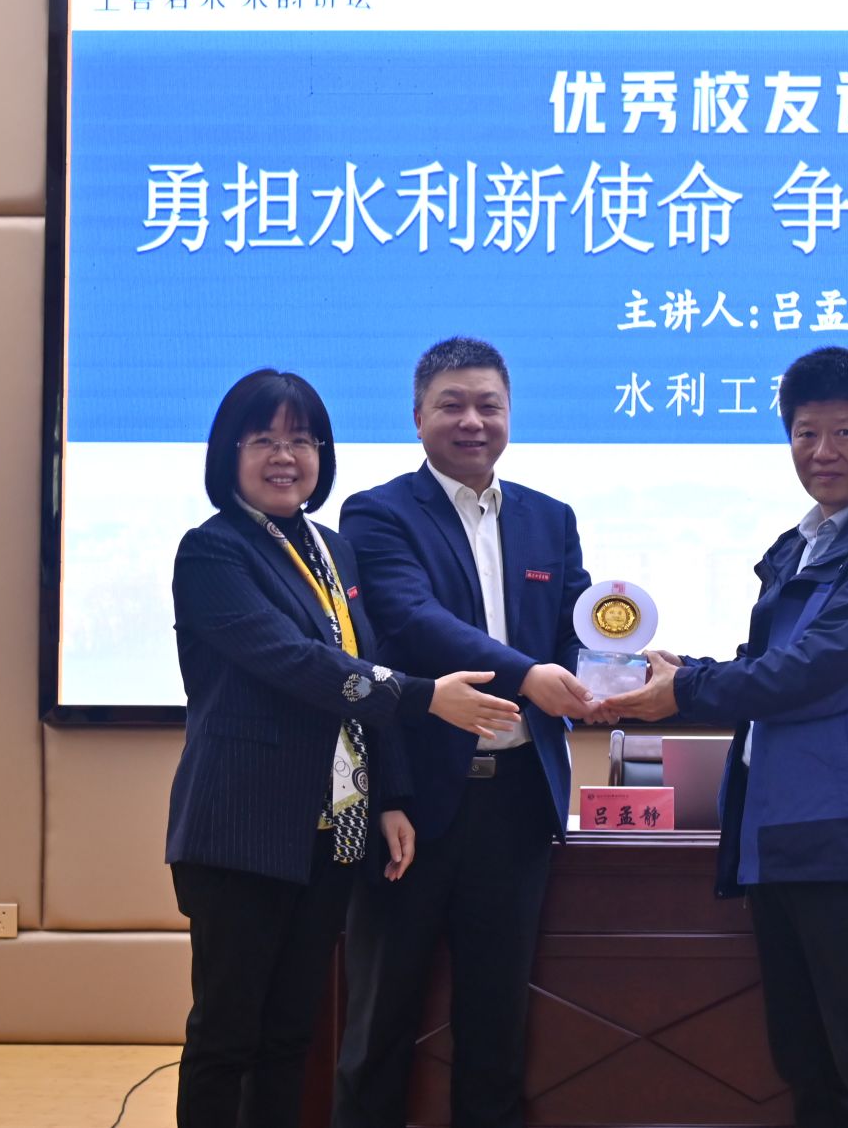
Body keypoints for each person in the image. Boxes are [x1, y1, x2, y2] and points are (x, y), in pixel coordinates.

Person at [598, 345, 848, 1128]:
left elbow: (816, 671)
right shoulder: (800, 544)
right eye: (805, 433)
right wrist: (677, 674)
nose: (822, 451)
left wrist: (683, 691)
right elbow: (767, 663)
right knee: (811, 1069)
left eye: (845, 432)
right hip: (779, 834)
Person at [164, 368, 521, 1128]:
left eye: (303, 441)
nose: (285, 457)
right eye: (264, 440)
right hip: (241, 830)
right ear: (228, 453)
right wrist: (424, 695)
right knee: (227, 1035)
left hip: (329, 835)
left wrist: (390, 796)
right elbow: (297, 663)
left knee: (292, 1035)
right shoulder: (212, 552)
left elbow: (362, 665)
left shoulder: (331, 549)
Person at [334, 337, 597, 1128]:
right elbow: (413, 619)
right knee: (381, 1020)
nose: (472, 421)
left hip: (516, 805)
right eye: (452, 404)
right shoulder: (378, 513)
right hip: (413, 805)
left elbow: (576, 634)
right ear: (418, 417)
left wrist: (622, 670)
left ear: (510, 414)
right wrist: (527, 676)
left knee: (496, 1024)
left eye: (489, 405)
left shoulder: (551, 519)